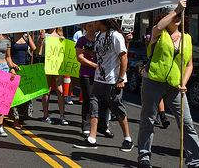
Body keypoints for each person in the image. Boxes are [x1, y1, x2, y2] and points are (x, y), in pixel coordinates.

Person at [137, 1, 199, 168]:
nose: (177, 18)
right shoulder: (157, 34)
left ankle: (195, 161)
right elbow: (159, 26)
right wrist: (176, 10)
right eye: (172, 15)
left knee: (187, 123)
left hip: (175, 87)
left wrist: (184, 83)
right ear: (165, 16)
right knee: (148, 120)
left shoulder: (187, 38)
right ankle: (144, 157)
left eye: (180, 15)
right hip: (153, 82)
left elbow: (189, 65)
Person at [74, 18, 133, 152]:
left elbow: (124, 57)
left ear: (100, 22)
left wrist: (120, 79)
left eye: (94, 23)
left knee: (117, 109)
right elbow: (102, 53)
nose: (92, 25)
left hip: (112, 80)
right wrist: (89, 52)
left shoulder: (116, 36)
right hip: (99, 79)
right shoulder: (99, 35)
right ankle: (92, 139)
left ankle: (127, 139)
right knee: (93, 107)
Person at [75, 22, 112, 137]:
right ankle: (86, 126)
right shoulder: (82, 40)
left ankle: (103, 126)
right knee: (89, 100)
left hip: (102, 75)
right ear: (84, 27)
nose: (91, 28)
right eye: (89, 26)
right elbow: (80, 57)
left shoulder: (101, 38)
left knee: (104, 101)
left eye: (93, 25)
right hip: (87, 75)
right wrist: (95, 66)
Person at [36, 28, 68, 125]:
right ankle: (45, 115)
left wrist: (63, 42)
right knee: (47, 91)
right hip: (46, 65)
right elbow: (37, 52)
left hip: (57, 67)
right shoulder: (43, 35)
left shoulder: (60, 37)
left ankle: (62, 116)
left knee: (60, 91)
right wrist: (41, 40)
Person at [9, 32, 36, 129]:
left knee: (24, 95)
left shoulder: (26, 36)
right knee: (15, 96)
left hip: (25, 69)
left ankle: (20, 116)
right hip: (14, 69)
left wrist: (40, 39)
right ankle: (15, 120)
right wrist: (12, 65)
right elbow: (7, 54)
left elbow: (34, 49)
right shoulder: (11, 37)